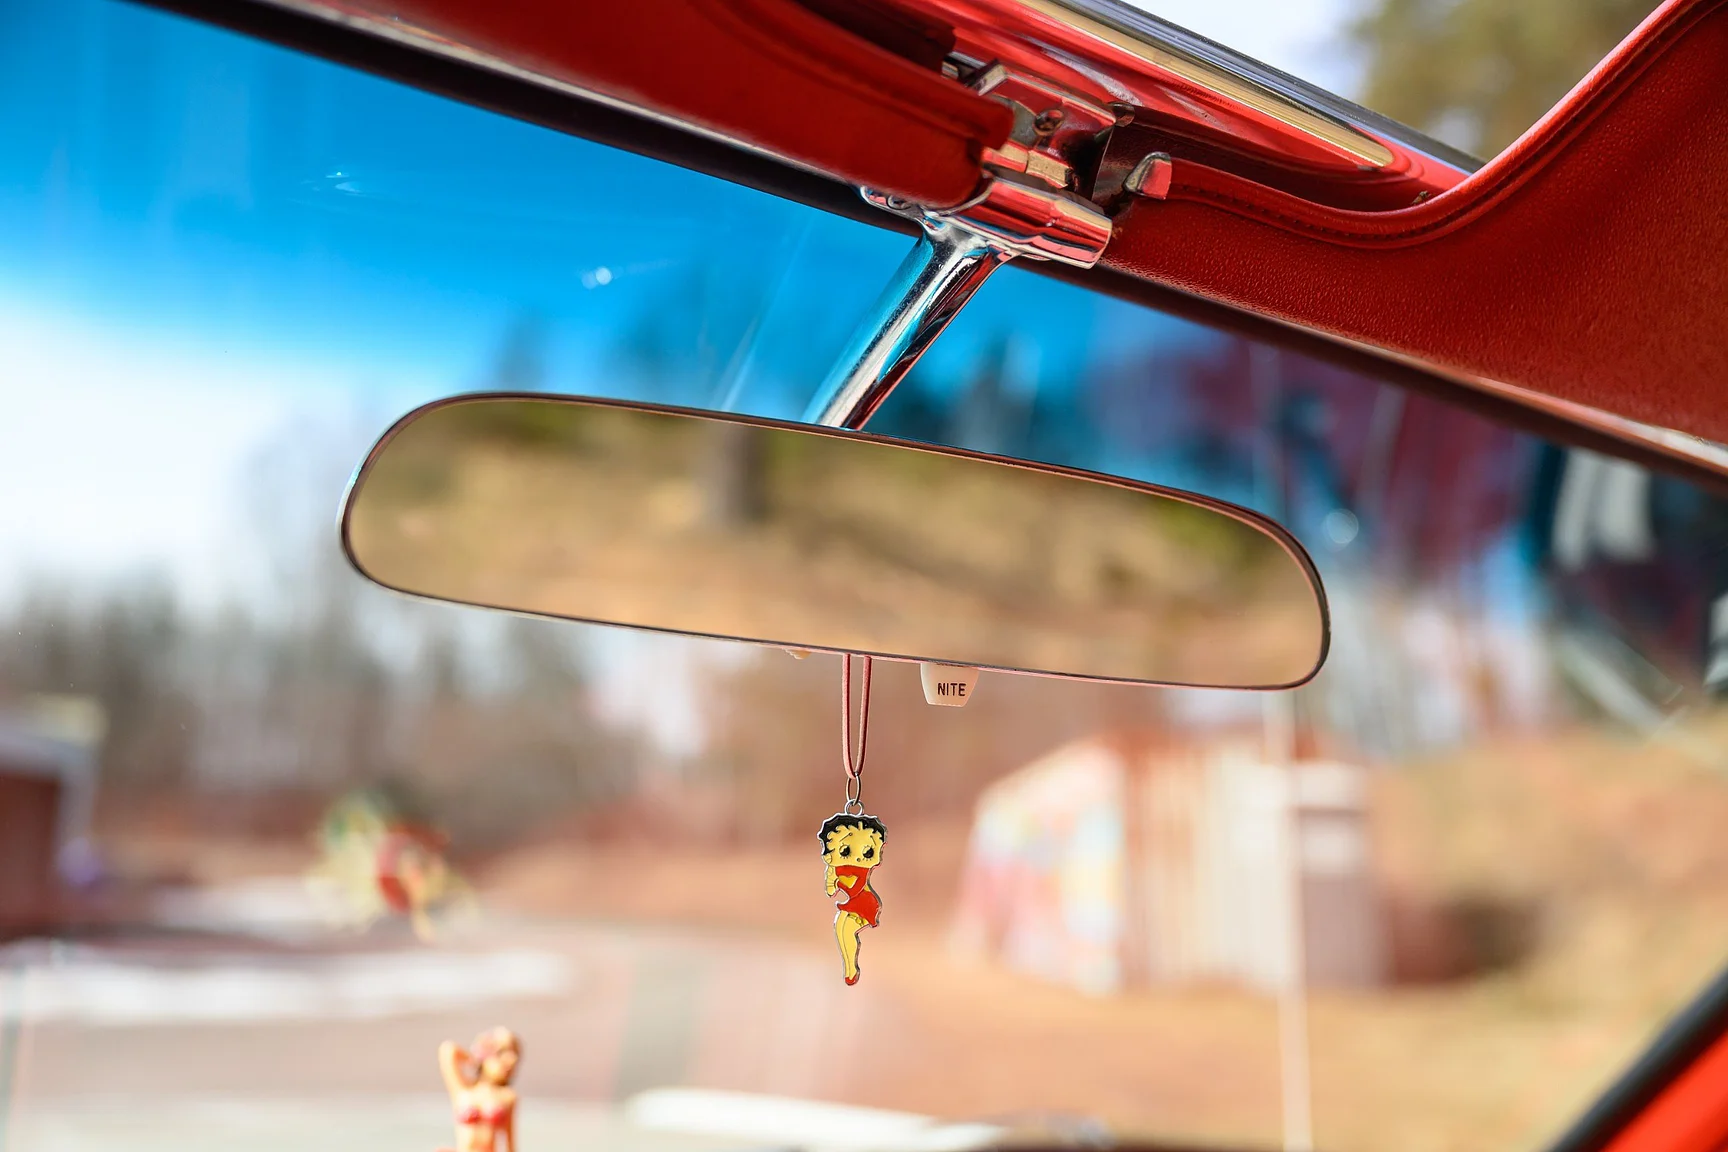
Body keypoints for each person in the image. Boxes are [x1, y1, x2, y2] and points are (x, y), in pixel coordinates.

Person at [820, 813, 886, 985]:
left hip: (865, 903)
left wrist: (836, 879)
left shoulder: (861, 870)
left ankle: (851, 969)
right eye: (845, 850)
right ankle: (849, 966)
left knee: (846, 929)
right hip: (853, 904)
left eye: (868, 852)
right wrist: (831, 879)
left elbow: (854, 888)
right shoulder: (837, 868)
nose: (857, 857)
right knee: (841, 928)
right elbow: (831, 891)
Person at [437, 1026, 520, 1152]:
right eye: (499, 1055)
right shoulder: (463, 1090)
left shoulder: (507, 1097)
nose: (507, 1064)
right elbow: (448, 1049)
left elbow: (510, 1146)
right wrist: (476, 1059)